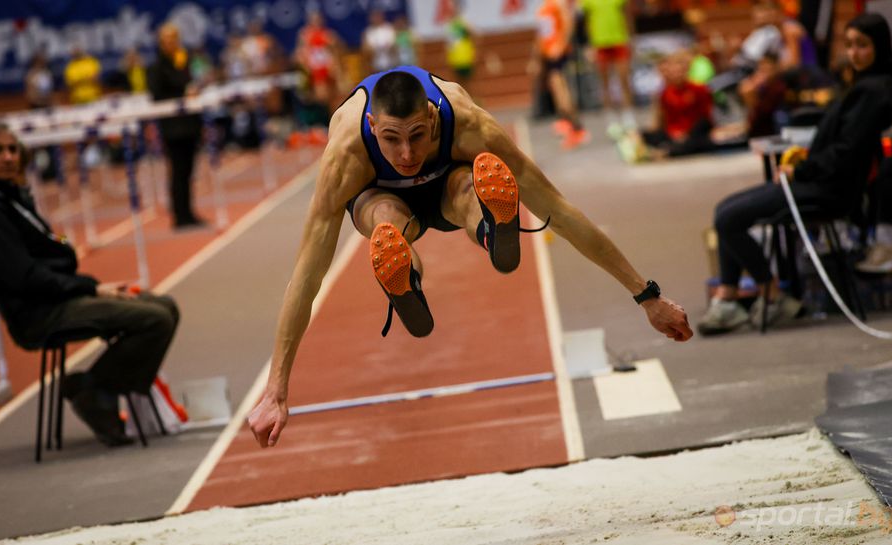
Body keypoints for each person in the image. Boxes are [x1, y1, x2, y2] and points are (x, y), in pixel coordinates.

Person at [246, 65, 693, 448]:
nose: (406, 153)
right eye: (391, 139)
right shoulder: (346, 154)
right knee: (385, 220)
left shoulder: (469, 123)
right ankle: (409, 280)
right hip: (379, 196)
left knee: (466, 188)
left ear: (433, 116)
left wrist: (646, 294)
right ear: (370, 124)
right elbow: (307, 273)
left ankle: (492, 226)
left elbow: (562, 213)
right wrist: (276, 389)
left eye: (417, 136)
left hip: (450, 182)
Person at [0, 120, 180, 447]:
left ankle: (95, 388)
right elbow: (25, 277)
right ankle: (92, 390)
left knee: (165, 305)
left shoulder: (10, 196)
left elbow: (50, 242)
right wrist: (90, 288)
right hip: (40, 314)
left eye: (12, 149)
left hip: (60, 294)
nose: (7, 157)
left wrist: (74, 263)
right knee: (154, 319)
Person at [698, 14, 892, 335]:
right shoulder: (860, 84)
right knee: (725, 209)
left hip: (828, 190)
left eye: (863, 45)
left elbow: (845, 153)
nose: (854, 53)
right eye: (849, 45)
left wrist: (800, 168)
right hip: (815, 179)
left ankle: (771, 294)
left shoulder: (875, 91)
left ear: (880, 47)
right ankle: (729, 297)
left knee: (728, 219)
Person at [146, 23, 206, 229]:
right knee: (177, 171)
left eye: (174, 38)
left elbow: (195, 82)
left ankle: (189, 212)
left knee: (189, 171)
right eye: (167, 39)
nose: (171, 43)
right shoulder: (156, 67)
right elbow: (156, 94)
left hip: (190, 125)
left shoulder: (185, 60)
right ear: (161, 43)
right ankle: (179, 216)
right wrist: (182, 92)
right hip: (172, 128)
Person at [534, 0, 589, 150]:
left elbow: (569, 22)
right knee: (556, 90)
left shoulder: (558, 4)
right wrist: (538, 58)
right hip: (548, 54)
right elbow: (541, 34)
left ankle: (576, 128)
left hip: (558, 53)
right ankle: (569, 125)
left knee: (562, 92)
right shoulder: (543, 8)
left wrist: (561, 44)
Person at [580, 0, 637, 135]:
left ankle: (628, 117)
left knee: (624, 80)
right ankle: (611, 120)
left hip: (619, 40)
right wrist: (589, 44)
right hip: (599, 43)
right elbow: (587, 22)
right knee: (604, 84)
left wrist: (631, 38)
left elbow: (627, 16)